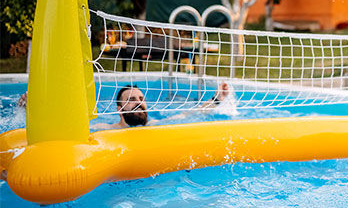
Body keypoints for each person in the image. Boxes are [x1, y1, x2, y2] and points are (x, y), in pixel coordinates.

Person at [19, 82, 230, 130]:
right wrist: (32, 110)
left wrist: (217, 99)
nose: (139, 102)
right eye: (132, 99)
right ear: (119, 110)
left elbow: (189, 114)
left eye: (141, 98)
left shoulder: (155, 125)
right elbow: (65, 127)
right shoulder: (105, 129)